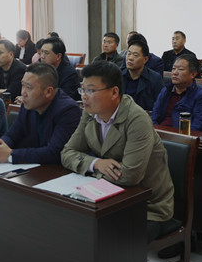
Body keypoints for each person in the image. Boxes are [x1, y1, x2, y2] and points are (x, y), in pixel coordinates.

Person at [61, 61, 175, 243]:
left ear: (114, 92)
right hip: (107, 198)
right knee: (67, 223)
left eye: (91, 90)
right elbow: (67, 152)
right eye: (82, 90)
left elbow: (130, 176)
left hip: (146, 208)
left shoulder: (137, 119)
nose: (84, 96)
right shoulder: (89, 113)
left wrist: (88, 170)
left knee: (99, 238)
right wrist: (96, 163)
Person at [0, 63, 81, 164]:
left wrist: (11, 155)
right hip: (34, 168)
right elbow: (11, 136)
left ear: (48, 92)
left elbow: (55, 153)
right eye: (22, 85)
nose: (23, 93)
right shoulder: (28, 104)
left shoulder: (68, 110)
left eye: (29, 87)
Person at [151, 54, 202, 132]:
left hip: (181, 137)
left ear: (192, 74)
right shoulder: (166, 91)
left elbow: (198, 127)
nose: (175, 73)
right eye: (173, 69)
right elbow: (155, 116)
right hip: (158, 134)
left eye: (180, 69)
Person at [122, 38, 164, 111]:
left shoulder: (155, 79)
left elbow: (160, 106)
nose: (130, 58)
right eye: (128, 54)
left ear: (145, 59)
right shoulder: (117, 75)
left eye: (135, 55)